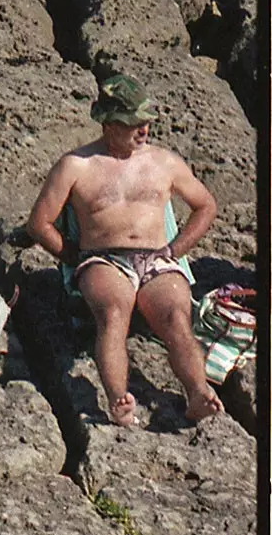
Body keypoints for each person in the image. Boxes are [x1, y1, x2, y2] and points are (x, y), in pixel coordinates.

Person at [26, 73, 222, 427]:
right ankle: (119, 399)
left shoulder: (165, 163)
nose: (144, 130)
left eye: (146, 122)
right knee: (114, 314)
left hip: (158, 258)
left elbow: (206, 206)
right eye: (134, 123)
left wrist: (176, 249)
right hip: (104, 259)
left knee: (177, 317)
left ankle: (198, 393)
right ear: (109, 124)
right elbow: (39, 223)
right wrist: (74, 258)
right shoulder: (77, 165)